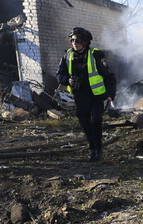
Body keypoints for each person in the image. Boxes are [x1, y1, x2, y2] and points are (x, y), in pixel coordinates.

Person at [56, 27, 117, 162]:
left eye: (77, 40)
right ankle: (92, 148)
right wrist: (67, 80)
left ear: (85, 42)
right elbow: (60, 74)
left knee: (95, 121)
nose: (74, 43)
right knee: (84, 122)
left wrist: (110, 94)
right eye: (72, 40)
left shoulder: (95, 55)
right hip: (80, 96)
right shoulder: (67, 56)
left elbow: (109, 76)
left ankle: (98, 150)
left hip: (96, 95)